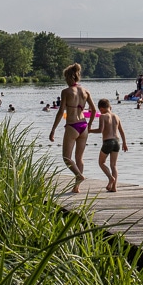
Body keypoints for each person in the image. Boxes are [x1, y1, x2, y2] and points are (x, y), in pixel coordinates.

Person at [48, 63, 95, 193]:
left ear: (68, 77)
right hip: (83, 126)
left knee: (66, 157)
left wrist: (53, 130)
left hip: (72, 126)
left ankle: (79, 176)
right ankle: (76, 187)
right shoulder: (85, 91)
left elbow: (60, 111)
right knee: (79, 158)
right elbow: (94, 109)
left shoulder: (66, 92)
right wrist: (89, 126)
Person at [90, 98, 127, 192]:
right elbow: (122, 131)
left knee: (101, 163)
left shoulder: (103, 116)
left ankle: (110, 178)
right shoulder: (117, 116)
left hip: (108, 142)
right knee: (113, 165)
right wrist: (124, 143)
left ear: (101, 108)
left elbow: (100, 130)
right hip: (117, 142)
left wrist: (89, 130)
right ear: (110, 107)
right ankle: (114, 187)